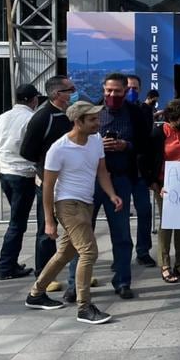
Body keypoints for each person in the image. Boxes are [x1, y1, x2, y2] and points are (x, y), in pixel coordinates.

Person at [25, 101, 122, 325]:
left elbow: (102, 171)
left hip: (86, 203)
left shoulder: (96, 140)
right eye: (92, 120)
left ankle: (36, 293)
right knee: (88, 253)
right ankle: (84, 307)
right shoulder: (59, 148)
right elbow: (47, 186)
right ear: (78, 122)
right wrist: (49, 221)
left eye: (97, 118)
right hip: (67, 204)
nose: (98, 123)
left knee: (65, 254)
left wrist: (111, 194)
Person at [64, 72, 150, 302]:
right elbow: (74, 140)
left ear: (126, 91)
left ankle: (122, 281)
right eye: (108, 91)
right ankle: (75, 285)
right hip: (88, 181)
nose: (112, 95)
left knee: (121, 235)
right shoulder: (90, 111)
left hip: (120, 180)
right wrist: (96, 145)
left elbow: (145, 144)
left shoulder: (135, 113)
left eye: (117, 91)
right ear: (103, 90)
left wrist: (125, 145)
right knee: (81, 235)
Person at [19, 75, 78, 280]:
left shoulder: (70, 115)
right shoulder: (43, 117)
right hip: (49, 181)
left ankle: (77, 273)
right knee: (47, 228)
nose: (74, 92)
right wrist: (46, 167)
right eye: (70, 90)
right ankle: (43, 274)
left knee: (76, 228)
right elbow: (26, 151)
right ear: (57, 94)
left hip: (72, 180)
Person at [0, 83, 40, 280]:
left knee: (17, 220)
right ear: (33, 99)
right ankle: (6, 266)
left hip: (6, 173)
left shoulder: (2, 117)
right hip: (24, 175)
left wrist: (7, 163)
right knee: (17, 223)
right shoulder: (31, 118)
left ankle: (10, 263)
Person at [146, 98, 180, 283]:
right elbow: (147, 158)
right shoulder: (159, 134)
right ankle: (165, 264)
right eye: (179, 119)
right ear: (171, 119)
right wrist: (152, 182)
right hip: (165, 185)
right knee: (166, 224)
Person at [126, 74, 157, 267]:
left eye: (135, 88)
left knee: (145, 211)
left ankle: (143, 251)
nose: (131, 91)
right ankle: (121, 255)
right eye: (128, 87)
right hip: (118, 172)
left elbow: (148, 141)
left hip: (139, 172)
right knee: (119, 218)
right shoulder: (107, 110)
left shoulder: (143, 110)